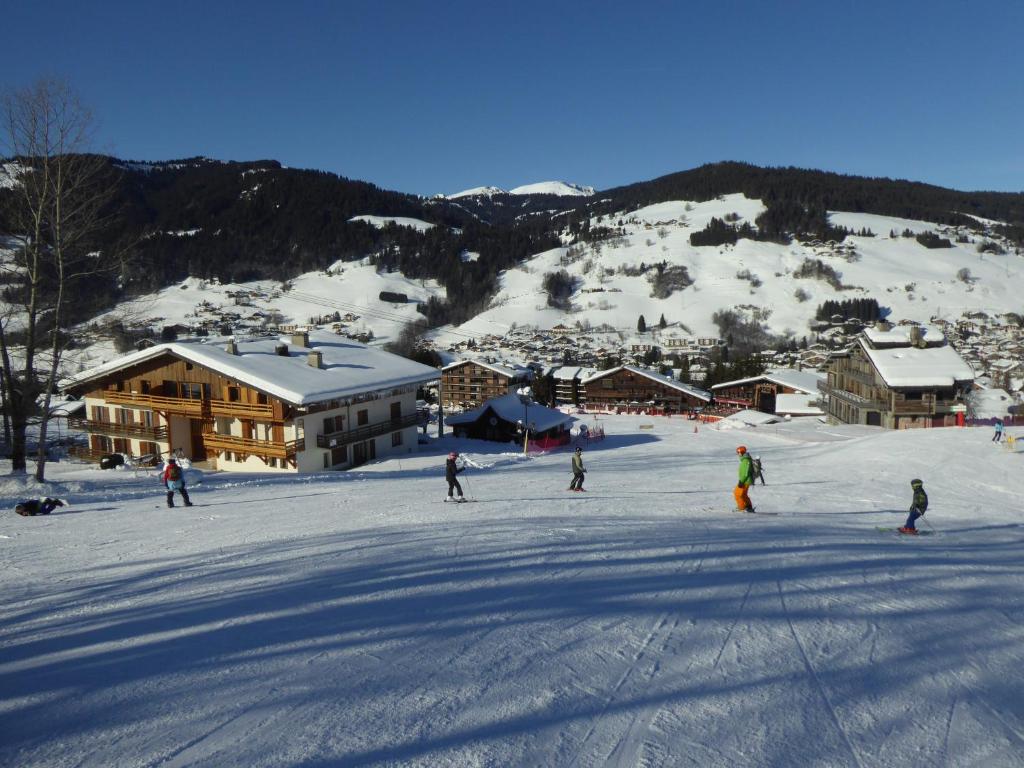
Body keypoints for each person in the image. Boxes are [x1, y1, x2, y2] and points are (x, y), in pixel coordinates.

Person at [733, 445, 755, 512]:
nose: (738, 454)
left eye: (738, 453)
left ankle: (741, 507)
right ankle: (749, 507)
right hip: (745, 480)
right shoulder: (745, 460)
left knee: (737, 493)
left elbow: (746, 472)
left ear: (741, 452)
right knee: (743, 494)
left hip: (745, 481)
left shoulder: (746, 460)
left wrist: (741, 481)